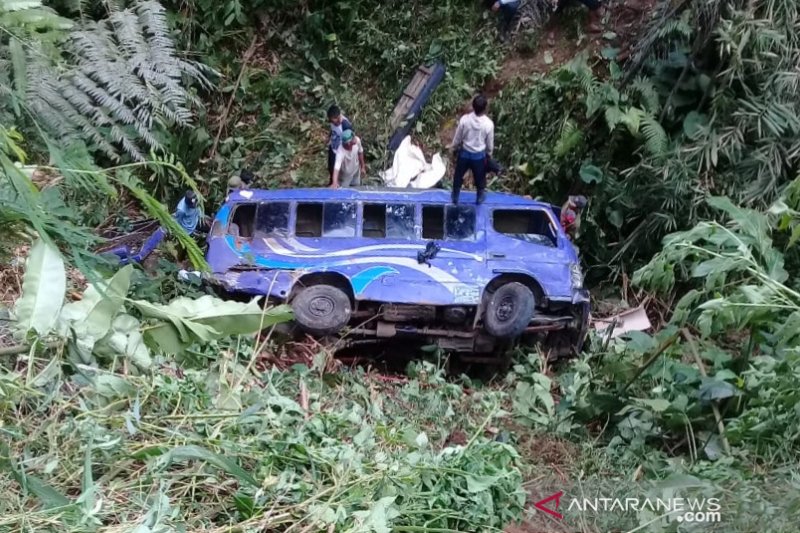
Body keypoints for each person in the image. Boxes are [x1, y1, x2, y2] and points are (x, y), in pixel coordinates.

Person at [450, 95, 495, 205]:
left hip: (464, 153)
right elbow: (489, 143)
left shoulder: (465, 120)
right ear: (485, 109)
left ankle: (455, 196)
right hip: (479, 156)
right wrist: (489, 154)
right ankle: (479, 197)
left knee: (458, 176)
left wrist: (453, 147)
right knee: (480, 178)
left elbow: (458, 137)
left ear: (473, 106)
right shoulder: (488, 124)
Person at [326, 105, 353, 185]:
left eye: (333, 120)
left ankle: (337, 183)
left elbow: (350, 138)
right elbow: (332, 130)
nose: (332, 122)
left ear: (338, 117)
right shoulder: (332, 122)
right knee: (331, 167)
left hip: (340, 150)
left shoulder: (345, 125)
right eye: (331, 120)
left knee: (337, 168)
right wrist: (328, 137)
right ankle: (332, 182)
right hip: (333, 147)